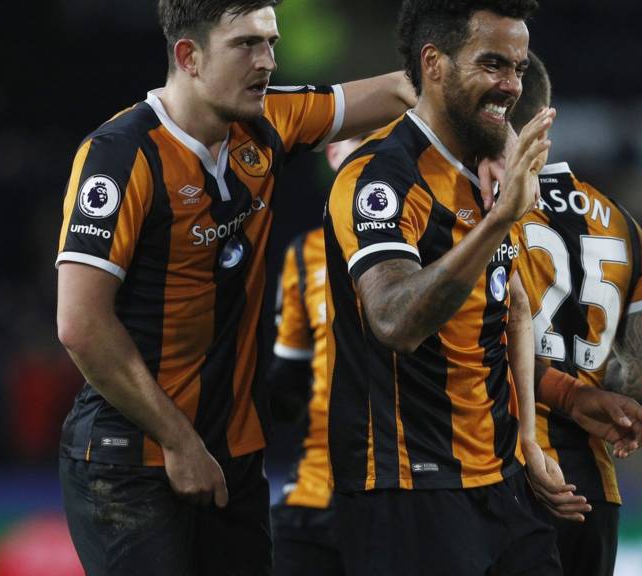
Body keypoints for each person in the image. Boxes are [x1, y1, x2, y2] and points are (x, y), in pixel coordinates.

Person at [53, 1, 419, 574]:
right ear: (188, 56)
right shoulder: (120, 156)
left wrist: (494, 132)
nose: (267, 61)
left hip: (232, 455)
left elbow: (403, 91)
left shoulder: (269, 120)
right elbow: (80, 324)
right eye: (246, 45)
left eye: (270, 43)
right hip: (130, 459)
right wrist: (179, 442)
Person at [323, 0, 598, 572]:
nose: (511, 86)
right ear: (435, 64)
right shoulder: (381, 177)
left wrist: (528, 439)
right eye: (493, 65)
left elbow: (512, 304)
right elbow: (395, 320)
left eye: (519, 69)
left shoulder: (485, 172)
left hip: (501, 483)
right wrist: (499, 222)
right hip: (407, 488)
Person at [509, 51, 642, 576]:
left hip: (504, 469)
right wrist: (589, 371)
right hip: (595, 490)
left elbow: (474, 339)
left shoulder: (481, 208)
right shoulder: (623, 224)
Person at [264, 136, 364, 575]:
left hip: (330, 500)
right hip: (391, 500)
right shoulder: (439, 243)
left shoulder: (308, 254)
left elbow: (284, 387)